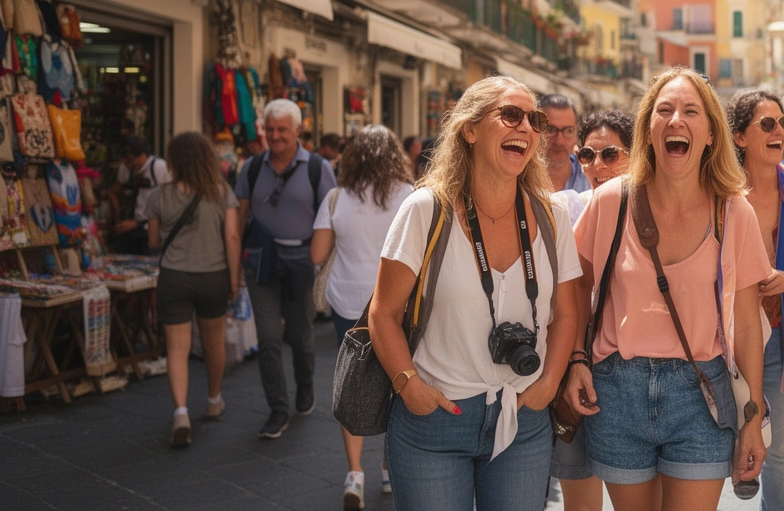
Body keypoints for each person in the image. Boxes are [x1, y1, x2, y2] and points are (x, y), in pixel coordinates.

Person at [369, 77, 582, 510]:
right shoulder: (427, 209)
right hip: (435, 419)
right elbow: (383, 313)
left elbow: (567, 312)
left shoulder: (551, 215)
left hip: (522, 420)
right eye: (510, 115)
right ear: (470, 129)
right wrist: (409, 386)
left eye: (534, 120)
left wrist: (548, 383)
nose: (526, 127)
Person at [563, 67, 769, 511]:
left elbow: (749, 324)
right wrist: (577, 360)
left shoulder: (734, 212)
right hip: (617, 389)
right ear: (648, 129)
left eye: (691, 111)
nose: (676, 119)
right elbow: (575, 287)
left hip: (701, 393)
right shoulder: (611, 200)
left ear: (711, 134)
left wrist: (752, 418)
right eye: (665, 110)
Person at [310, 125, 415, 509]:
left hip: (347, 304)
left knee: (353, 381)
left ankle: (355, 471)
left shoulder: (337, 199)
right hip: (397, 303)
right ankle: (389, 467)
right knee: (397, 380)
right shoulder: (409, 196)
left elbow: (317, 255)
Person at [729, 89, 784, 511]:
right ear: (740, 137)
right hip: (727, 340)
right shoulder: (719, 192)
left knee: (781, 447)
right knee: (720, 436)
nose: (779, 131)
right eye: (767, 124)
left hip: (783, 338)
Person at [235, 99, 337, 439]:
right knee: (267, 338)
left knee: (301, 336)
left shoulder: (317, 167)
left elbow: (330, 218)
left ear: (297, 131)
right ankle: (278, 409)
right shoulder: (251, 168)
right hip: (260, 262)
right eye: (271, 129)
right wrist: (234, 266)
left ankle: (305, 385)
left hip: (302, 263)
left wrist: (327, 264)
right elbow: (239, 217)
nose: (275, 136)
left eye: (283, 130)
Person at [550, 108, 634, 511]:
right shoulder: (565, 208)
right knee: (580, 495)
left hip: (627, 370)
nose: (596, 165)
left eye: (611, 154)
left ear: (636, 155)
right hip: (575, 360)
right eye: (586, 155)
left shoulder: (651, 211)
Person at [145, 131, 241, 449]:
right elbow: (231, 238)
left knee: (177, 348)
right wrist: (234, 278)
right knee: (214, 344)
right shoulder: (221, 192)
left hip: (173, 277)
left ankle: (182, 412)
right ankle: (214, 399)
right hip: (212, 276)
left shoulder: (158, 195)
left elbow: (154, 242)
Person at [114, 135, 171, 254]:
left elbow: (168, 204)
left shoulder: (159, 168)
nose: (128, 166)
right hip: (128, 231)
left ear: (141, 155)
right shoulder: (126, 169)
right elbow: (115, 191)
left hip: (150, 230)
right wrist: (118, 214)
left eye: (129, 161)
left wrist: (138, 224)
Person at [540, 94, 591, 194]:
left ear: (577, 133)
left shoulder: (590, 176)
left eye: (568, 131)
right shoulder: (517, 175)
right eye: (550, 130)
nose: (559, 141)